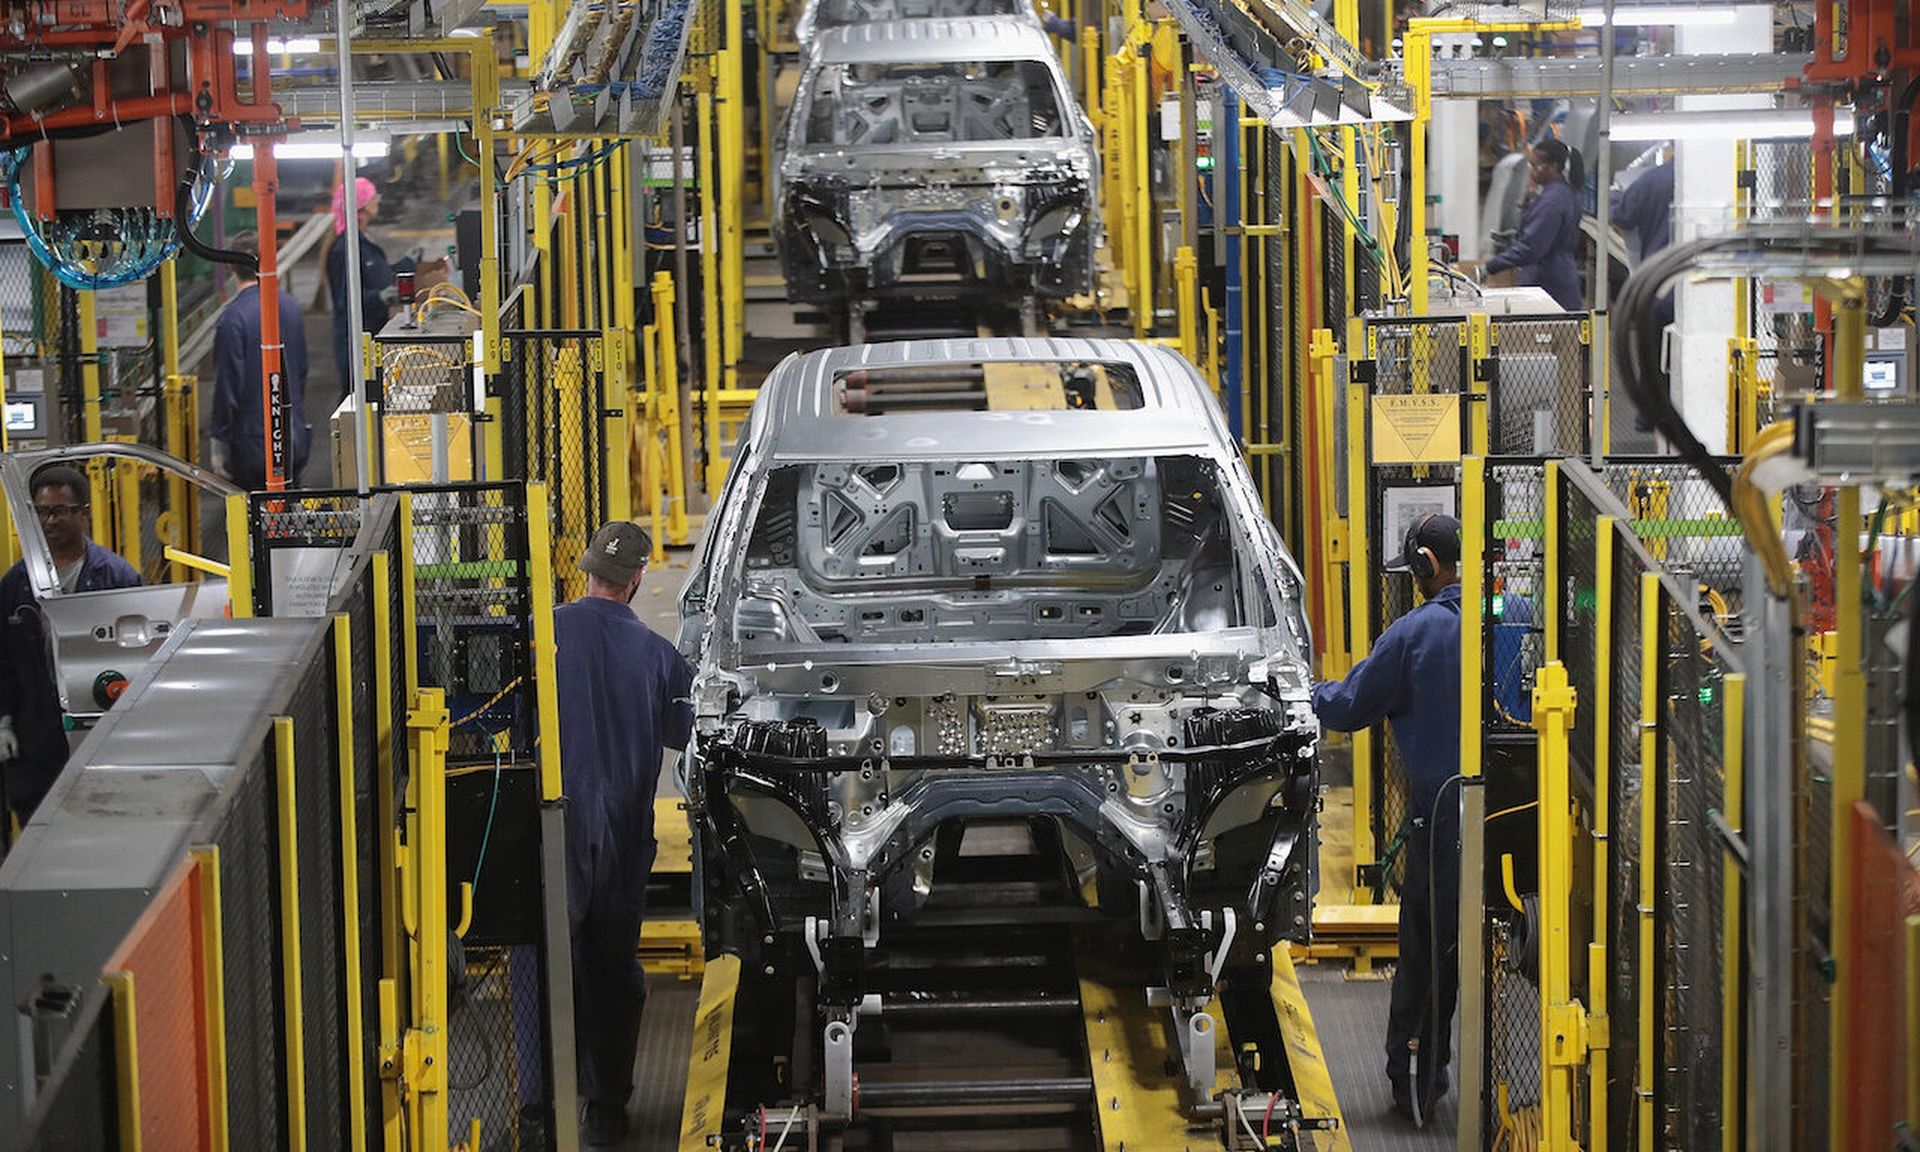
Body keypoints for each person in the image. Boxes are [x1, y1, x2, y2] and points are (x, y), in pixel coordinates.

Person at [1310, 513, 1462, 1126]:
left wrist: (1307, 691)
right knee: (1473, 950)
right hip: (1510, 820)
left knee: (1426, 951)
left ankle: (1416, 1079)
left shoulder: (1414, 634)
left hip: (1439, 820)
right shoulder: (1509, 617)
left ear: (1425, 565)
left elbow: (1349, 707)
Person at [553, 521, 693, 1148]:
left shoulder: (546, 634)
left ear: (586, 570)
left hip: (558, 823)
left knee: (556, 960)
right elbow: (683, 735)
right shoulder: (661, 657)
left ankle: (543, 1101)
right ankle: (605, 1102)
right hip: (624, 831)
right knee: (613, 962)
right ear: (639, 579)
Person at [0, 465, 141, 825]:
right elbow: (3, 659)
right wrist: (3, 721)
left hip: (100, 726)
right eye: (42, 512)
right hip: (35, 734)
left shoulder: (117, 577)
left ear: (84, 513)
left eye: (61, 511)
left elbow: (140, 656)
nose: (50, 521)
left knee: (101, 822)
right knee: (37, 829)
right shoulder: (15, 583)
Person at [211, 230, 312, 489]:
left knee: (254, 521)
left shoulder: (233, 318)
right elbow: (300, 371)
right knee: (289, 517)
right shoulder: (288, 306)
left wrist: (219, 439)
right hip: (293, 439)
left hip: (253, 446)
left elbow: (227, 386)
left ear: (231, 265)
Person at [1484, 138, 1585, 310]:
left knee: (1548, 333)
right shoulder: (1560, 193)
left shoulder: (1551, 201)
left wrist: (1490, 266)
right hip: (1554, 277)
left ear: (1552, 167)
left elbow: (1532, 248)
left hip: (1549, 285)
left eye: (1534, 166)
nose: (1531, 171)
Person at [326, 176, 397, 397]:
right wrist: (380, 297)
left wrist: (407, 264)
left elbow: (375, 275)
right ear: (362, 205)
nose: (378, 200)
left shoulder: (362, 241)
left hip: (371, 336)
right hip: (355, 343)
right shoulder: (345, 248)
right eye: (373, 197)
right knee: (357, 398)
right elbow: (346, 300)